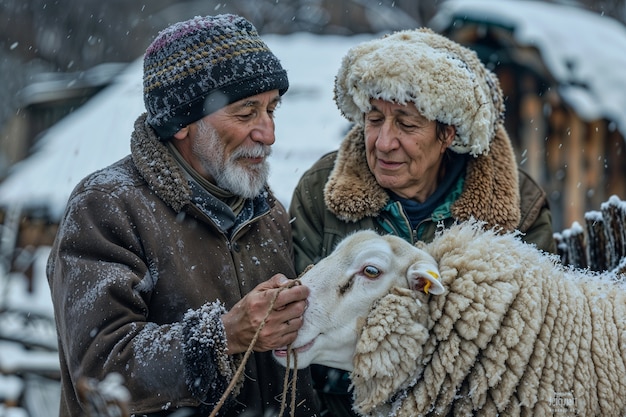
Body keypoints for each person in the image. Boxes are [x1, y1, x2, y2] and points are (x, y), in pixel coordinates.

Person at [47, 14, 320, 417]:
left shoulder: (268, 213)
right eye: (246, 113)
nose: (268, 133)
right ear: (181, 122)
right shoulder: (107, 205)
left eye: (271, 110)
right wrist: (222, 336)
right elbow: (101, 370)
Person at [289, 28, 555, 417]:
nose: (383, 142)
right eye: (374, 118)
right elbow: (308, 320)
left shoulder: (517, 209)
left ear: (448, 133)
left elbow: (529, 345)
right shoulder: (323, 192)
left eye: (407, 125)